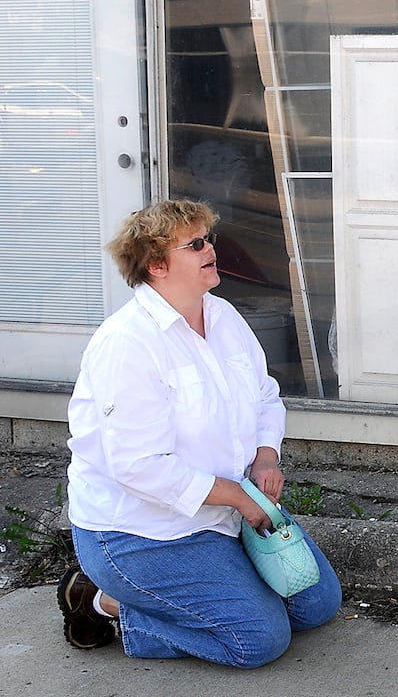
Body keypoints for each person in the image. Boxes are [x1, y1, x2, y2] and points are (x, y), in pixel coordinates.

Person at [58, 199, 341, 665]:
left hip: (224, 512)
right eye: (195, 244)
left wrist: (266, 455)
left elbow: (265, 394)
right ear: (156, 265)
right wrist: (237, 495)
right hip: (140, 531)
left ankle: (205, 593)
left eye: (207, 238)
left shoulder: (223, 315)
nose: (211, 248)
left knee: (315, 605)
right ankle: (104, 601)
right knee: (259, 639)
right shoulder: (126, 344)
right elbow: (136, 467)